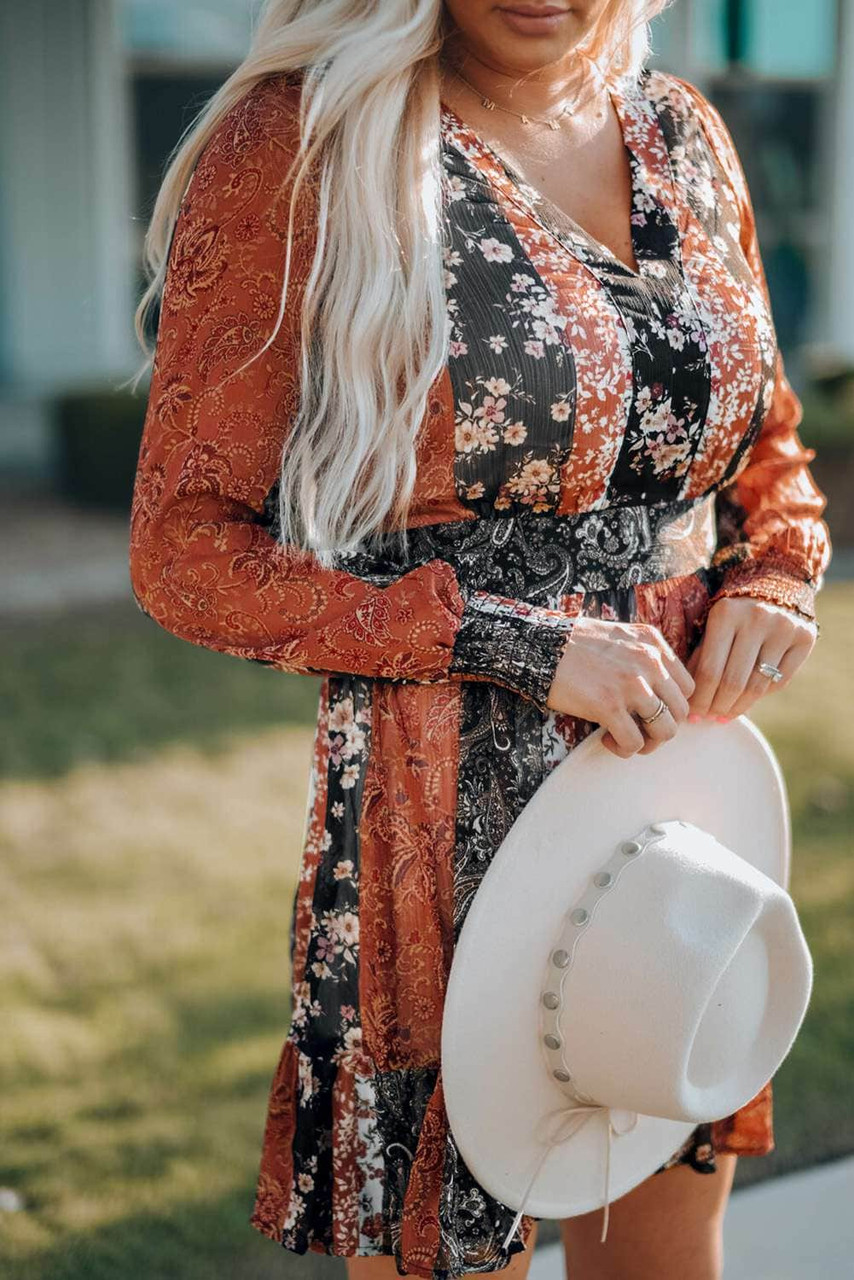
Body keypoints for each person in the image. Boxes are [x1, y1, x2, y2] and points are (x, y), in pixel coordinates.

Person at [128, 2, 832, 1278]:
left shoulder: (677, 131)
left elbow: (764, 442)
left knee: (666, 1255)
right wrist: (513, 639)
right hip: (436, 815)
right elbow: (184, 551)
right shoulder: (300, 144)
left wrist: (773, 575)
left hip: (671, 794)